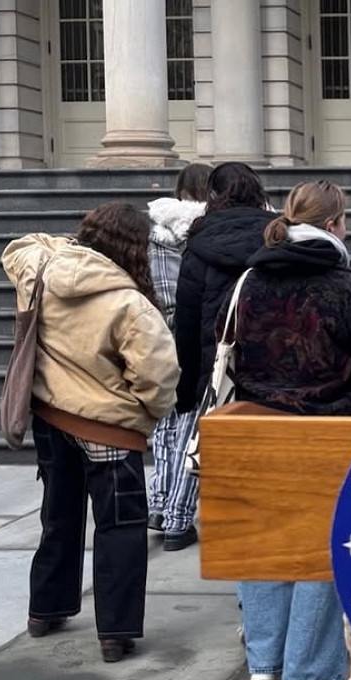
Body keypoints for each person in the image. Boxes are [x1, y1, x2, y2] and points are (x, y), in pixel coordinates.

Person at [230, 180, 351, 680]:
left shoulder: (250, 278)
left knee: (266, 547)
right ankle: (307, 674)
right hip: (327, 433)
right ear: (333, 225)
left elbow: (223, 339)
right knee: (322, 554)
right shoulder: (344, 286)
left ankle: (267, 661)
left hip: (257, 426)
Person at [2, 202, 179, 662]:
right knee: (120, 526)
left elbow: (19, 246)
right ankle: (115, 633)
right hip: (110, 428)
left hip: (48, 417)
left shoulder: (38, 269)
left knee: (58, 515)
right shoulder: (129, 303)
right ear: (136, 248)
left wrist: (65, 247)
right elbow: (159, 376)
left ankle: (45, 609)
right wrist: (146, 415)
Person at [171, 162, 275, 551]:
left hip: (214, 362)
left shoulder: (198, 243)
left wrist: (186, 388)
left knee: (211, 453)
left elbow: (186, 317)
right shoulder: (276, 235)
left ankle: (194, 526)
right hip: (268, 364)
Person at [146, 162, 211, 539]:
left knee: (165, 426)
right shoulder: (210, 232)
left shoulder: (156, 233)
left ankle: (158, 503)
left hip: (160, 339)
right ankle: (177, 517)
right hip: (198, 340)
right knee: (193, 427)